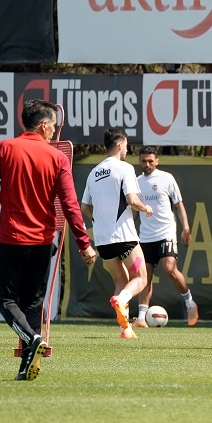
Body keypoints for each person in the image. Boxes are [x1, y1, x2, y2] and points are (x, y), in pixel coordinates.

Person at [0, 99, 96, 381]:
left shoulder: (3, 149)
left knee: (6, 301)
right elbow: (70, 205)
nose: (54, 133)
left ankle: (32, 339)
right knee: (33, 304)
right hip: (42, 244)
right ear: (44, 125)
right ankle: (26, 366)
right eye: (53, 128)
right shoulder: (56, 157)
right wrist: (83, 243)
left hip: (11, 241)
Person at [81, 128, 153, 339]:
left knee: (121, 282)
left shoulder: (94, 172)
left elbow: (84, 207)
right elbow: (132, 200)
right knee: (141, 278)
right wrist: (146, 208)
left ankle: (126, 329)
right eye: (127, 146)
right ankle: (121, 300)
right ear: (120, 144)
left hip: (102, 240)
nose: (127, 150)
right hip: (124, 236)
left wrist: (100, 218)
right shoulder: (124, 168)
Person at [132, 146, 198, 328]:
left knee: (169, 268)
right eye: (144, 161)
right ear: (139, 161)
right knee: (144, 275)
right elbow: (135, 211)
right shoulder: (136, 182)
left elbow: (179, 205)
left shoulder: (166, 178)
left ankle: (190, 303)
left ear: (157, 161)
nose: (147, 164)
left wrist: (186, 227)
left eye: (150, 161)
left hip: (165, 232)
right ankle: (141, 318)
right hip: (145, 236)